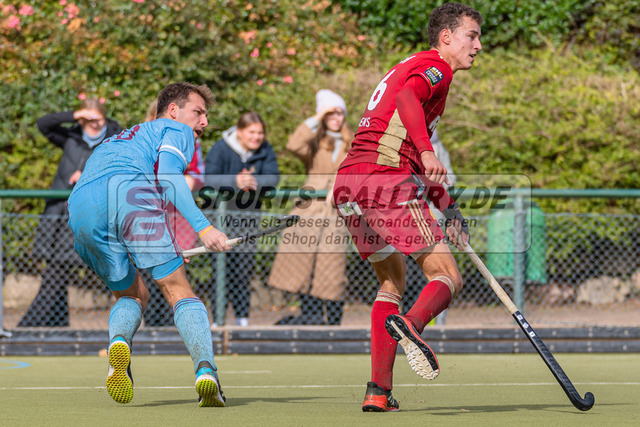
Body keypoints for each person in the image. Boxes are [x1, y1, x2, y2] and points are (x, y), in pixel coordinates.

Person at [332, 3, 482, 412]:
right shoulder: (436, 67)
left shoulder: (411, 64)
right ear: (446, 37)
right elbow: (406, 99)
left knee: (391, 284)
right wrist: (427, 148)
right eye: (471, 36)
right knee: (447, 276)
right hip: (383, 180)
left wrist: (450, 211)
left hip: (349, 186)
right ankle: (412, 326)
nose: (478, 46)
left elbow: (414, 162)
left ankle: (378, 391)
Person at [67, 82, 230, 407]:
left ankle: (119, 342)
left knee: (132, 294)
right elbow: (169, 177)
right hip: (131, 197)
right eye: (198, 112)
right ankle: (206, 371)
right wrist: (204, 228)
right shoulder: (176, 129)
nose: (204, 122)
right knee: (177, 289)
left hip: (81, 207)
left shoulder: (118, 138)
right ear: (174, 110)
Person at [20, 98, 122, 327]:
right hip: (57, 213)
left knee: (57, 269)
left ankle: (27, 327)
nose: (94, 124)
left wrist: (87, 175)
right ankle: (58, 323)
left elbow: (117, 169)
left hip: (84, 214)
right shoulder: (71, 137)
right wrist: (76, 115)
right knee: (56, 267)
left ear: (105, 118)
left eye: (98, 119)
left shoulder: (113, 141)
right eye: (88, 119)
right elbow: (44, 123)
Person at [269, 89, 353, 325]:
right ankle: (310, 317)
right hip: (310, 211)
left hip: (337, 211)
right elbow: (294, 144)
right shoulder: (314, 143)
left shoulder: (353, 143)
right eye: (330, 114)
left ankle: (334, 323)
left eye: (339, 113)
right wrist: (318, 116)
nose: (336, 118)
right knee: (304, 266)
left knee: (332, 267)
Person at [204, 112, 280, 326]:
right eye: (251, 132)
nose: (256, 137)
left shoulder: (265, 150)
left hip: (249, 219)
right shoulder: (220, 148)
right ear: (239, 132)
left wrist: (254, 181)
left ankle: (242, 318)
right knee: (221, 269)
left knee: (244, 268)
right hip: (220, 219)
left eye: (260, 133)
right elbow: (210, 178)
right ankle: (218, 319)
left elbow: (273, 177)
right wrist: (234, 182)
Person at [142, 99, 206, 327]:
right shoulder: (143, 141)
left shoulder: (190, 141)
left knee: (175, 269)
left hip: (176, 214)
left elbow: (199, 173)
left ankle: (172, 322)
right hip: (149, 213)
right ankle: (153, 324)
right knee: (150, 270)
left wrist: (192, 180)